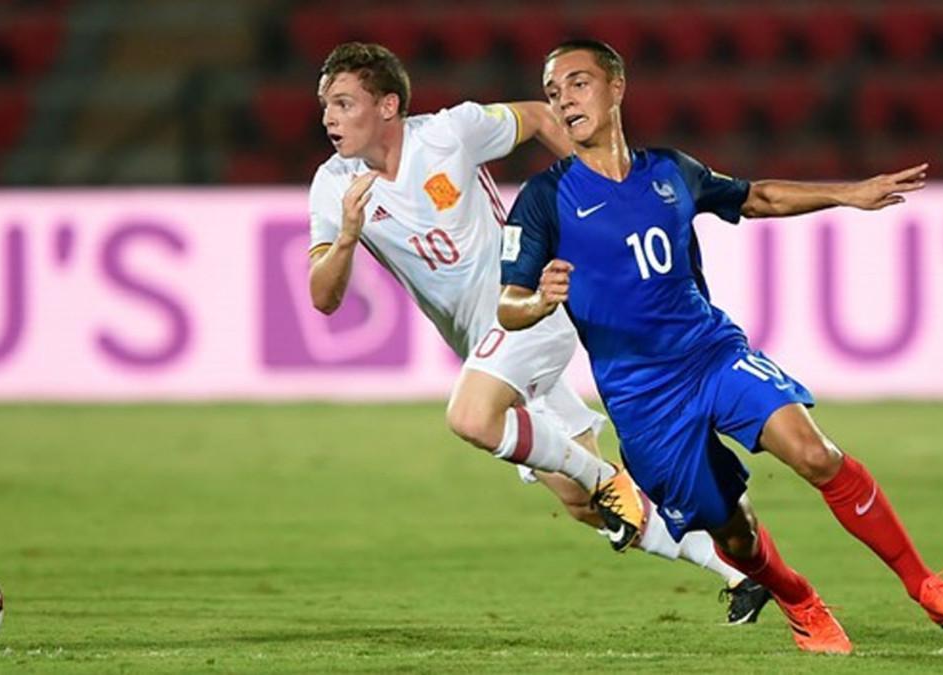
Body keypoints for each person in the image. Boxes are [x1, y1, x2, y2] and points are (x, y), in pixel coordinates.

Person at [498, 39, 943, 654]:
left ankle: (925, 584)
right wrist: (539, 299)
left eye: (577, 83)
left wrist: (845, 193)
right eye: (552, 92)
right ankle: (799, 600)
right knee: (735, 536)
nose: (563, 100)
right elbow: (507, 304)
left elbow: (753, 198)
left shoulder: (671, 171)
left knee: (814, 453)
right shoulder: (545, 199)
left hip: (710, 353)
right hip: (642, 399)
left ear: (615, 89)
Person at [307, 41, 771, 624]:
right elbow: (322, 297)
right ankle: (743, 575)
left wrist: (594, 197)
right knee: (582, 504)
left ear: (388, 106)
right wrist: (348, 235)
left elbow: (541, 117)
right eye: (326, 104)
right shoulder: (333, 186)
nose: (328, 116)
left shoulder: (452, 133)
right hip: (485, 347)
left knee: (473, 418)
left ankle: (609, 479)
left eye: (344, 103)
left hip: (527, 310)